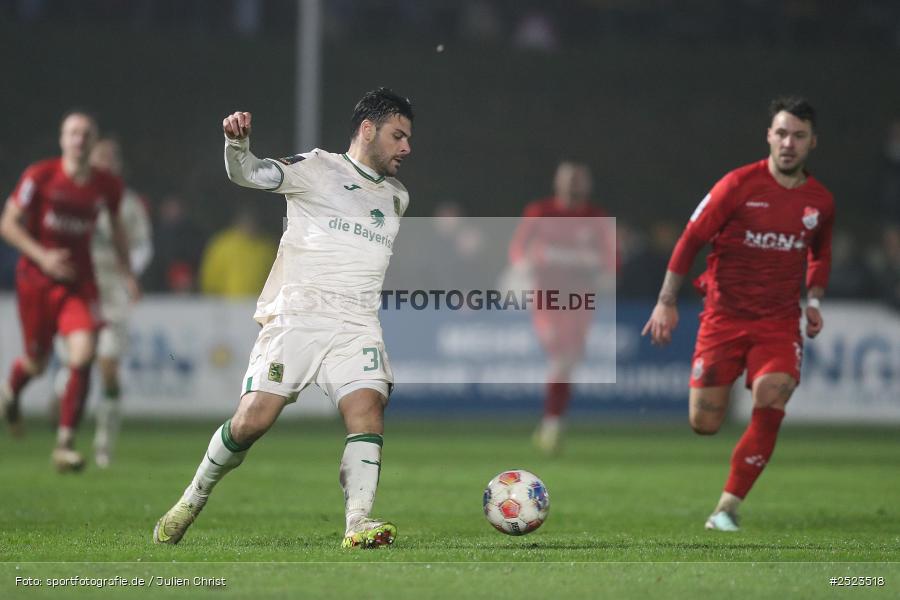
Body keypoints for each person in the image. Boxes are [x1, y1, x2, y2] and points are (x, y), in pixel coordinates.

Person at [153, 88, 413, 549]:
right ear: (367, 130)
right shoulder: (316, 168)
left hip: (356, 323)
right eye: (398, 136)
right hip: (299, 316)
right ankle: (191, 499)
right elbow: (250, 173)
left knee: (367, 410)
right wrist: (237, 145)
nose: (406, 147)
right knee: (251, 421)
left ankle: (358, 521)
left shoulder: (397, 197)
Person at [642, 97, 834, 531]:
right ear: (769, 136)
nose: (789, 143)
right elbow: (691, 239)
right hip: (723, 317)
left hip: (778, 323)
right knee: (704, 422)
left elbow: (821, 253)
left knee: (772, 395)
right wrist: (666, 301)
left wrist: (815, 301)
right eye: (781, 133)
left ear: (812, 142)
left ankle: (727, 507)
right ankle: (726, 498)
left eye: (798, 135)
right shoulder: (737, 185)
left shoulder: (820, 202)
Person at [0, 111, 139, 472]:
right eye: (73, 132)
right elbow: (8, 224)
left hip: (79, 282)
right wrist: (42, 256)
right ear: (62, 139)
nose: (79, 139)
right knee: (37, 363)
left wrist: (127, 272)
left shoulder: (107, 185)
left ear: (93, 142)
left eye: (86, 133)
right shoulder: (40, 175)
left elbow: (117, 230)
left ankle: (64, 444)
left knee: (84, 352)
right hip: (36, 281)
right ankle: (10, 392)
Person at [51, 137, 154, 468]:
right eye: (101, 158)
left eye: (112, 158)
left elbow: (142, 246)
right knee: (74, 368)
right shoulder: (70, 196)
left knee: (108, 368)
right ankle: (64, 430)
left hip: (111, 293)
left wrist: (128, 273)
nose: (106, 164)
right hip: (77, 290)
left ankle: (103, 444)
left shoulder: (129, 204)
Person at [508, 162, 614, 454]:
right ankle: (553, 423)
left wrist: (598, 266)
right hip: (547, 298)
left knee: (568, 361)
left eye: (578, 180)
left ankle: (552, 422)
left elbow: (611, 259)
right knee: (561, 357)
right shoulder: (540, 211)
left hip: (580, 300)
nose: (572, 185)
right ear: (557, 182)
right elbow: (518, 249)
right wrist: (523, 265)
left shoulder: (596, 217)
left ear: (587, 185)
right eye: (568, 180)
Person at [199, 208, 277, 297]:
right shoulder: (222, 245)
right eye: (246, 222)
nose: (249, 225)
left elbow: (275, 279)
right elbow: (209, 279)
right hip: (226, 302)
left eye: (252, 222)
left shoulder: (266, 249)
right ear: (237, 222)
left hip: (256, 301)